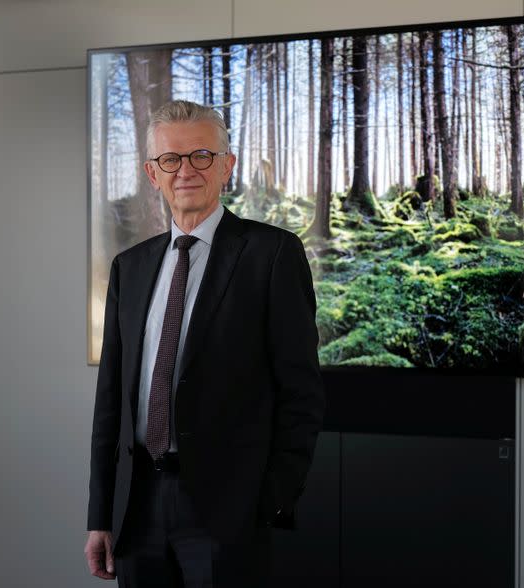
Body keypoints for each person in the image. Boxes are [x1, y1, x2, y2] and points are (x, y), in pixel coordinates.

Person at [83, 100, 325, 586]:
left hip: (227, 514)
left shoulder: (272, 255)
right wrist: (101, 513)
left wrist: (268, 499)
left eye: (201, 156)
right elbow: (111, 403)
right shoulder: (129, 269)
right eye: (171, 160)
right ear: (154, 173)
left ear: (227, 166)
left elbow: (301, 393)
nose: (185, 171)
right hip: (137, 510)